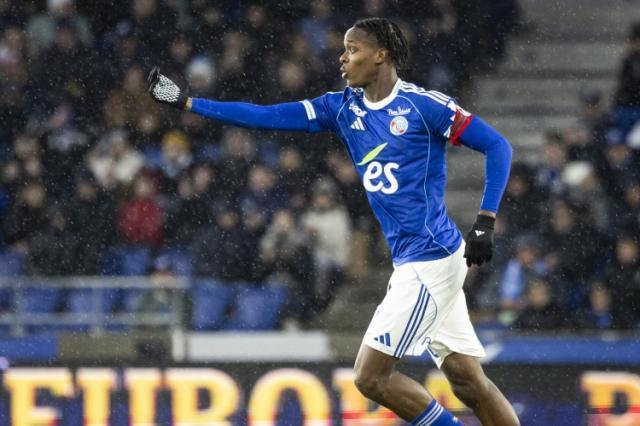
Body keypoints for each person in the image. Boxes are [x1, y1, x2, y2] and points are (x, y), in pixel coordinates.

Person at [148, 17, 518, 426]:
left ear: (381, 55)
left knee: (370, 377)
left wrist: (485, 220)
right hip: (417, 258)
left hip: (429, 261)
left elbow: (497, 146)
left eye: (353, 49)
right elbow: (266, 116)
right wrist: (190, 103)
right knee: (468, 382)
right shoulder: (341, 108)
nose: (342, 57)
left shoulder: (423, 106)